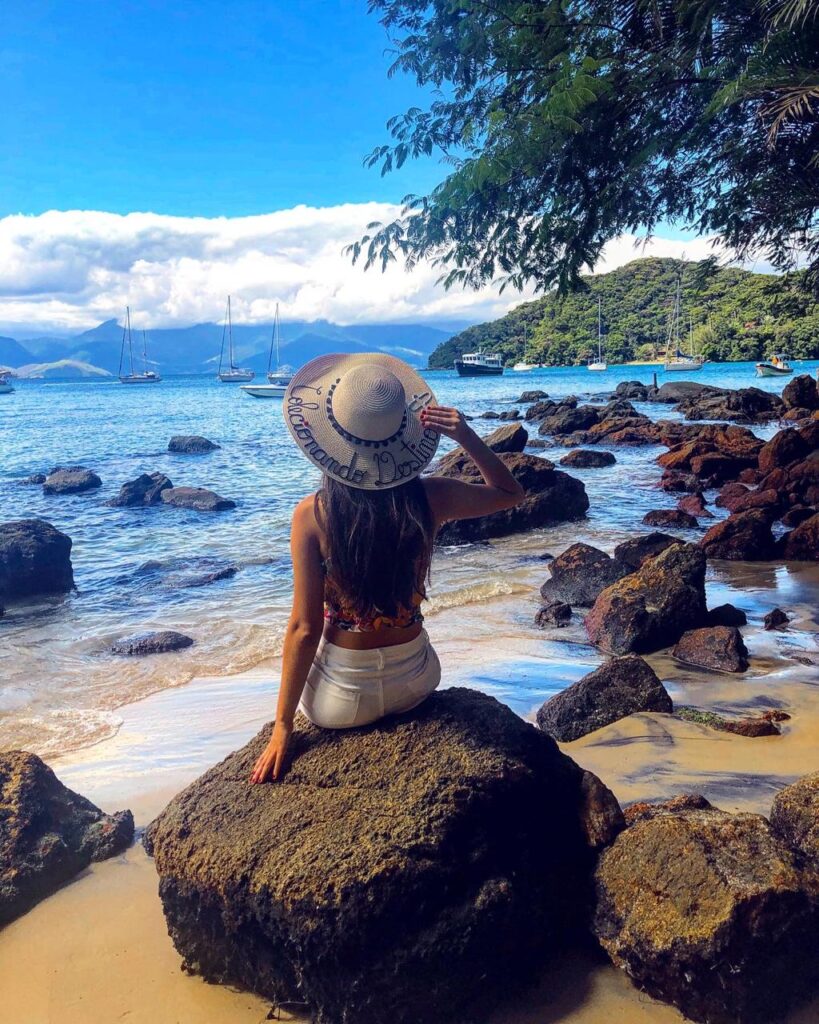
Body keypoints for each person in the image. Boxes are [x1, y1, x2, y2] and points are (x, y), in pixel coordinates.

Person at [250, 353, 525, 784]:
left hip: (341, 703)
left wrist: (282, 726)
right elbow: (510, 492)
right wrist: (466, 436)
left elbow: (303, 629)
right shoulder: (431, 497)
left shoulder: (313, 515)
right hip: (417, 682)